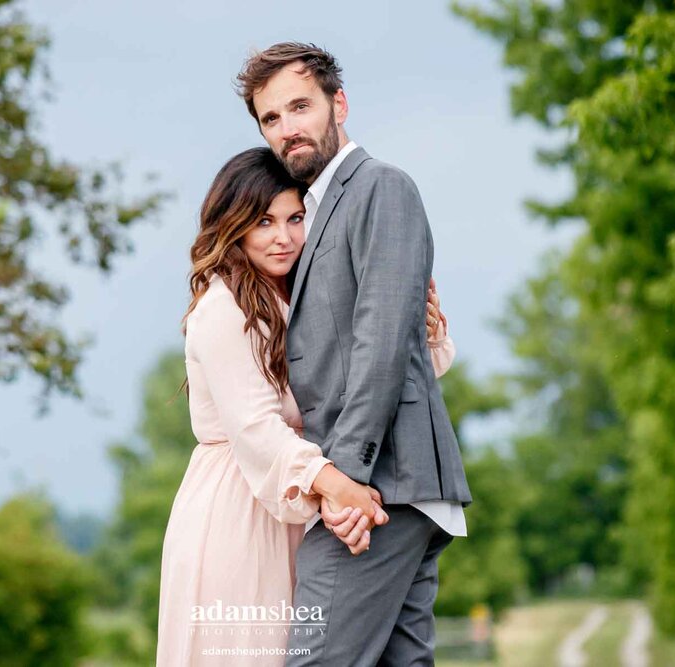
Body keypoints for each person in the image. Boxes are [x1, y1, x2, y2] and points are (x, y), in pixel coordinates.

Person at [155, 147, 457, 665]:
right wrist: (344, 490)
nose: (284, 237)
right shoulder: (222, 307)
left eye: (295, 218)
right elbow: (257, 431)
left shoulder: (302, 294)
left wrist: (423, 335)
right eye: (264, 221)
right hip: (243, 507)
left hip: (304, 497)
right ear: (233, 226)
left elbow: (361, 372)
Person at [237, 42, 473, 666]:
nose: (287, 129)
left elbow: (380, 344)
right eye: (270, 118)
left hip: (381, 487)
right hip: (392, 488)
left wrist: (347, 483)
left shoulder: (381, 188)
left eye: (300, 106)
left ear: (338, 104)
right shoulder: (316, 213)